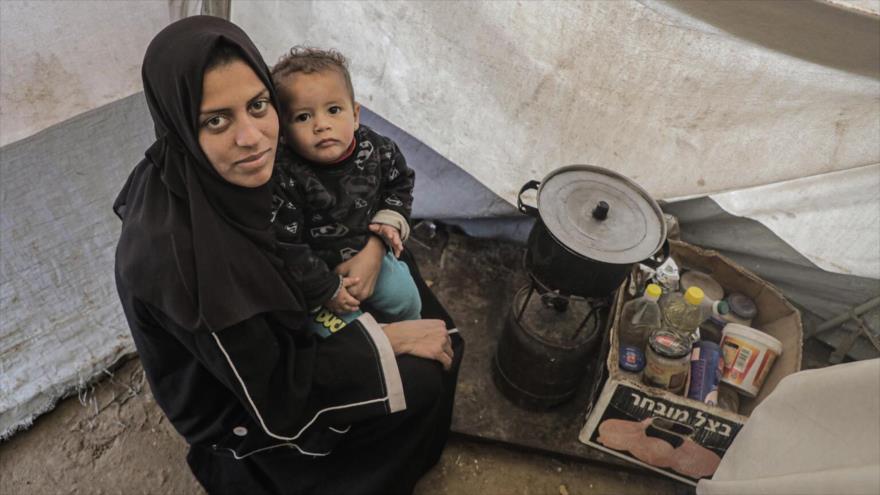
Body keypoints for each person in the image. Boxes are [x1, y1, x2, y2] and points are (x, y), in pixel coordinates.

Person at [113, 15, 463, 495]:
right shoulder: (187, 266)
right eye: (215, 120)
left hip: (298, 309)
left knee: (428, 311)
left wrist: (374, 246)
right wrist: (388, 340)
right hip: (246, 398)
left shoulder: (221, 173)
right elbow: (273, 389)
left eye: (258, 105)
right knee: (422, 378)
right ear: (178, 126)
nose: (253, 138)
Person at [269, 47, 421, 336]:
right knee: (341, 333)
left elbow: (400, 183)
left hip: (366, 247)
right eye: (303, 117)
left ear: (355, 114)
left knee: (406, 299)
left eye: (334, 110)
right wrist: (327, 290)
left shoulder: (378, 149)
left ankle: (413, 339)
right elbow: (285, 246)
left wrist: (388, 224)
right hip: (317, 276)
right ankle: (375, 355)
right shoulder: (284, 175)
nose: (321, 125)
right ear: (283, 133)